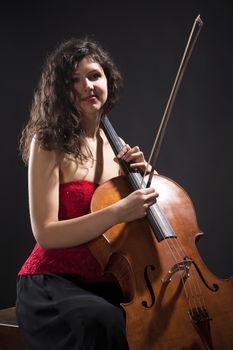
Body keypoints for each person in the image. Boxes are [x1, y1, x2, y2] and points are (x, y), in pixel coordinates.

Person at [16, 38, 158, 350]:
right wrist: (118, 212)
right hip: (54, 284)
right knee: (103, 322)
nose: (87, 86)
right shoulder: (48, 142)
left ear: (109, 80)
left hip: (111, 283)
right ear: (60, 91)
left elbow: (151, 217)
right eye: (73, 81)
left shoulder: (117, 146)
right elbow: (46, 234)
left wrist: (147, 176)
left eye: (94, 75)